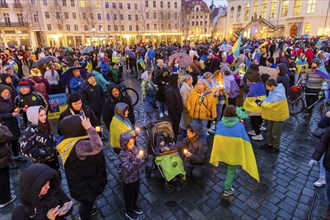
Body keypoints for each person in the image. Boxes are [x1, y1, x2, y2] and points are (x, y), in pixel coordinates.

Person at [57, 115, 107, 220]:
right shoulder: (78, 146)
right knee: (87, 203)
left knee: (87, 201)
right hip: (86, 184)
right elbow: (97, 145)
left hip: (84, 180)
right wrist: (90, 128)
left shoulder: (70, 140)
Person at [209, 105, 260, 197]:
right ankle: (227, 188)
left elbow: (217, 139)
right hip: (233, 153)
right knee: (231, 171)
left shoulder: (220, 124)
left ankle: (227, 182)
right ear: (235, 114)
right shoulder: (239, 126)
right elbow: (244, 141)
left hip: (224, 152)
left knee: (227, 168)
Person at [19, 106, 59, 171]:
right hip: (42, 164)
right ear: (33, 116)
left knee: (57, 179)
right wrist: (46, 151)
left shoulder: (46, 125)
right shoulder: (29, 132)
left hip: (54, 161)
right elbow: (25, 151)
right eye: (41, 115)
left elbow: (52, 140)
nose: (44, 117)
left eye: (45, 114)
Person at [255, 79, 289, 153]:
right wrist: (262, 101)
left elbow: (270, 105)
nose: (266, 88)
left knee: (275, 133)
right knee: (269, 130)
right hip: (274, 114)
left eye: (267, 87)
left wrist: (260, 103)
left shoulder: (279, 95)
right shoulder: (273, 90)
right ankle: (270, 144)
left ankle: (275, 147)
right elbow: (269, 99)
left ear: (272, 86)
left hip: (279, 116)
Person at [119, 132, 145, 220]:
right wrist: (138, 159)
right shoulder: (122, 155)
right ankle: (129, 211)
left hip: (136, 176)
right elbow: (128, 168)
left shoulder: (134, 148)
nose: (132, 145)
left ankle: (134, 206)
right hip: (128, 179)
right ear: (124, 144)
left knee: (135, 192)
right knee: (128, 195)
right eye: (130, 144)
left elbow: (141, 161)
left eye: (133, 143)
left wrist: (142, 157)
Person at [0, 85, 26, 167]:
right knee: (7, 144)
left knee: (15, 140)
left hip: (13, 124)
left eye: (8, 93)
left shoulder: (10, 100)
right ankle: (9, 161)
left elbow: (13, 109)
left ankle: (16, 156)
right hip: (4, 126)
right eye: (5, 93)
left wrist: (17, 110)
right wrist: (11, 114)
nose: (7, 94)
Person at [187, 79, 217, 144]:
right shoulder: (193, 92)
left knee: (203, 131)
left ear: (204, 85)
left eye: (200, 84)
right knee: (194, 131)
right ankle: (194, 145)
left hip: (205, 116)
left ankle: (203, 145)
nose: (198, 85)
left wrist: (214, 115)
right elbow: (188, 101)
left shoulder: (210, 94)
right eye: (197, 84)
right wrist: (189, 109)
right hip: (194, 115)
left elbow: (213, 105)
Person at [243, 73, 267, 141]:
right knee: (258, 118)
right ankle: (255, 131)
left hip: (255, 106)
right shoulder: (261, 83)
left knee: (254, 120)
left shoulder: (255, 85)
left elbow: (250, 94)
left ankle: (259, 134)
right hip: (260, 104)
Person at [0, 123, 16, 208]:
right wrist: (3, 127)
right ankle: (5, 199)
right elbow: (7, 137)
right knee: (3, 178)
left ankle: (5, 194)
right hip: (1, 159)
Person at [165, 72, 183, 139]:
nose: (179, 80)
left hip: (177, 113)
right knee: (174, 130)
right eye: (178, 78)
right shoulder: (170, 91)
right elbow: (171, 106)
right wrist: (176, 115)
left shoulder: (175, 88)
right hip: (175, 115)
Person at [179, 75, 194, 139]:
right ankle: (184, 140)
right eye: (191, 80)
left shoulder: (191, 86)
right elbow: (184, 102)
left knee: (189, 127)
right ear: (188, 81)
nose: (192, 81)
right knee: (185, 127)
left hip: (191, 111)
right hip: (187, 111)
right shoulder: (184, 89)